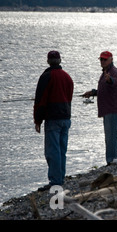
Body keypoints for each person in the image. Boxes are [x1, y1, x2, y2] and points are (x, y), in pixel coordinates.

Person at [34, 51, 74, 191]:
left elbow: (40, 100)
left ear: (48, 61)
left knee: (53, 151)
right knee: (61, 150)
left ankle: (56, 181)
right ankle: (60, 178)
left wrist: (37, 120)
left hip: (53, 119)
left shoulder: (46, 76)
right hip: (66, 117)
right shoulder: (67, 77)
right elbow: (69, 97)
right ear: (60, 60)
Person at [83, 51, 117, 165]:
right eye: (101, 59)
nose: (102, 61)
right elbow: (105, 90)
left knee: (110, 137)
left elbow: (116, 83)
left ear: (111, 59)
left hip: (113, 109)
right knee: (111, 136)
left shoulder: (114, 72)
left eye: (105, 59)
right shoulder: (105, 72)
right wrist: (93, 93)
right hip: (108, 109)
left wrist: (110, 80)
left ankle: (111, 160)